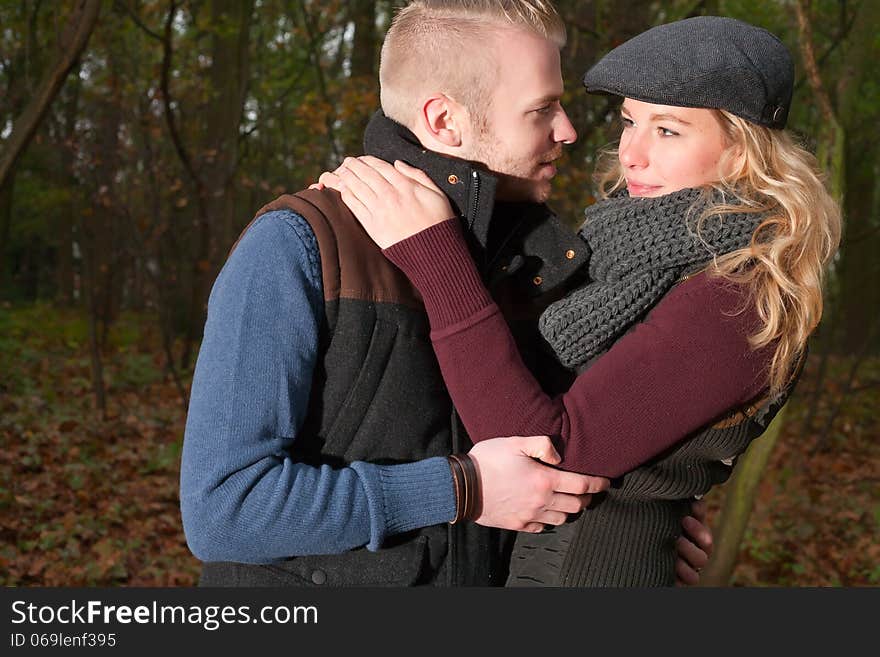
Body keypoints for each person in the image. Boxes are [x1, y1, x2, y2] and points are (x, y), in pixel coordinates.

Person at [180, 0, 712, 587]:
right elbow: (224, 511)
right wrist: (462, 488)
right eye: (541, 110)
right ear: (443, 121)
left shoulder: (538, 265)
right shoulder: (299, 245)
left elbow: (552, 461)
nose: (568, 130)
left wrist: (637, 528)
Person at [322, 15, 842, 585]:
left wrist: (437, 259)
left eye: (667, 130)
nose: (631, 154)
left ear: (744, 152)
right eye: (628, 123)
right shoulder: (628, 256)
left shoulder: (740, 299)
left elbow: (541, 450)